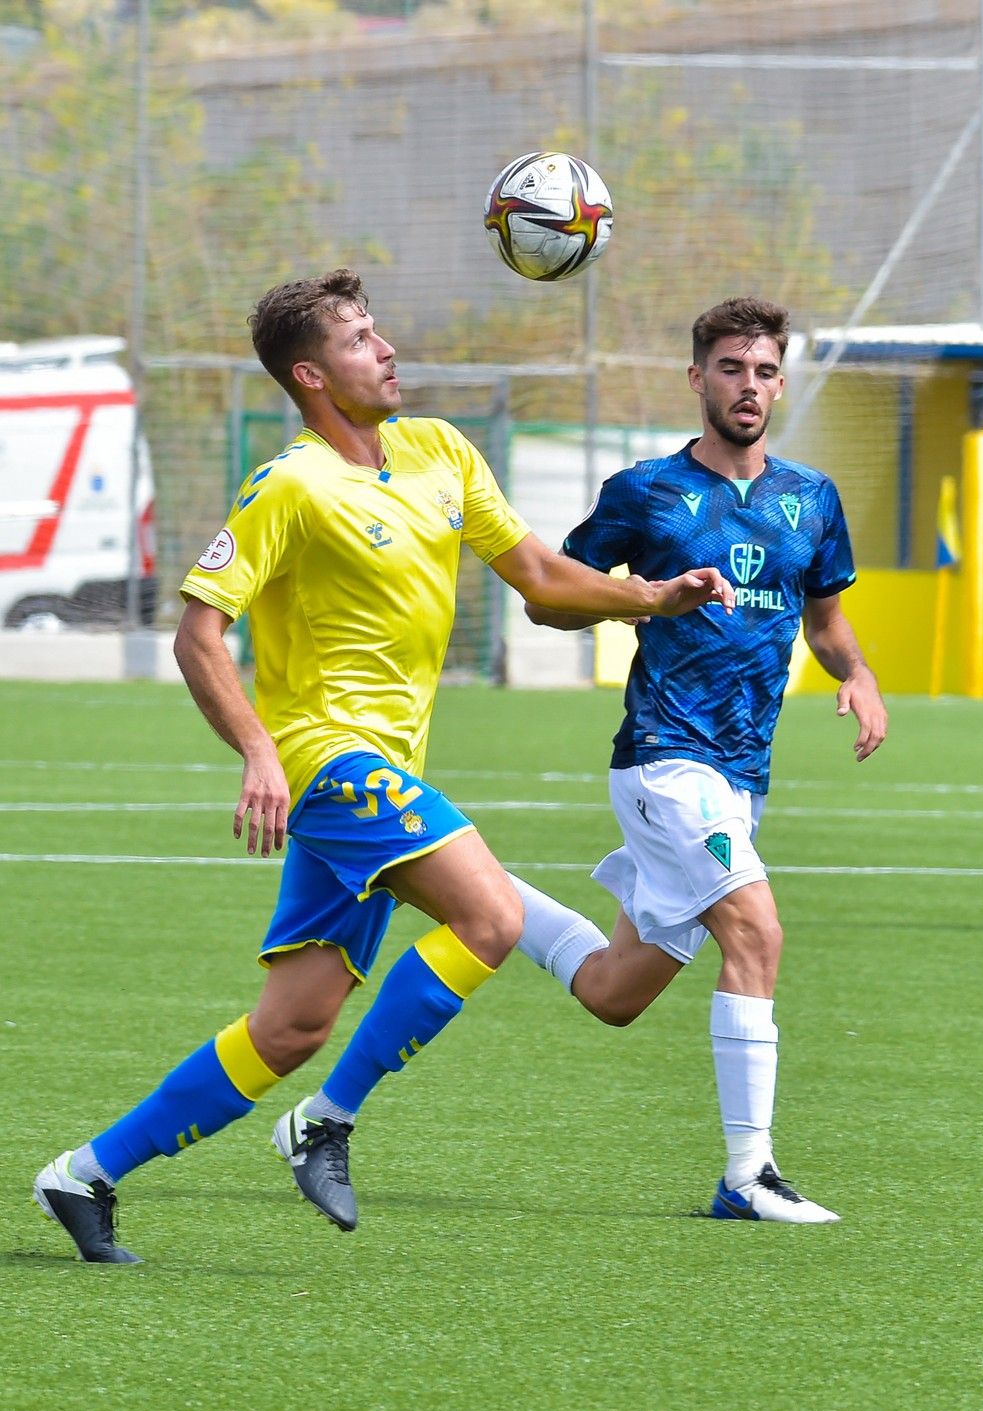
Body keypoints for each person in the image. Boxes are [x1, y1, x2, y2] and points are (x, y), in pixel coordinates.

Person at [32, 269, 734, 1263]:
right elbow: (198, 634)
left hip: (380, 769)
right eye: (361, 339)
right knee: (486, 917)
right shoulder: (290, 485)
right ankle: (326, 1122)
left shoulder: (440, 452)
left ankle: (84, 1174)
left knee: (292, 1027)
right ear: (313, 374)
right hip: (330, 761)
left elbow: (536, 576)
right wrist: (260, 752)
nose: (387, 348)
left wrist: (650, 599)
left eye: (379, 331)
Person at [507, 294, 888, 1223]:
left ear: (780, 382)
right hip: (664, 761)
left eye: (763, 371)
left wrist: (861, 674)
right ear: (696, 379)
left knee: (614, 990)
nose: (748, 387)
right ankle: (747, 1175)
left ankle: (482, 891)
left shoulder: (811, 498)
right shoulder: (645, 492)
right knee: (756, 932)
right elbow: (548, 601)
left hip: (740, 780)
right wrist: (647, 596)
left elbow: (826, 620)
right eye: (730, 369)